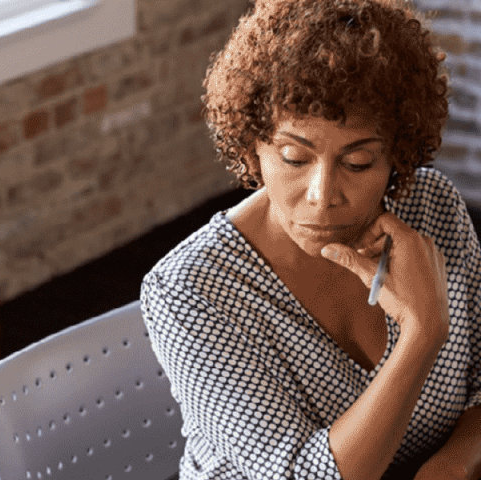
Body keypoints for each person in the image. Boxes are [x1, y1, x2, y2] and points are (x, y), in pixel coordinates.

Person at [139, 0, 481, 478]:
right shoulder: (188, 290)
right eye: (294, 158)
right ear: (252, 149)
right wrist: (422, 336)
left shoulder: (431, 209)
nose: (322, 196)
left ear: (397, 156)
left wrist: (450, 465)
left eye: (358, 163)